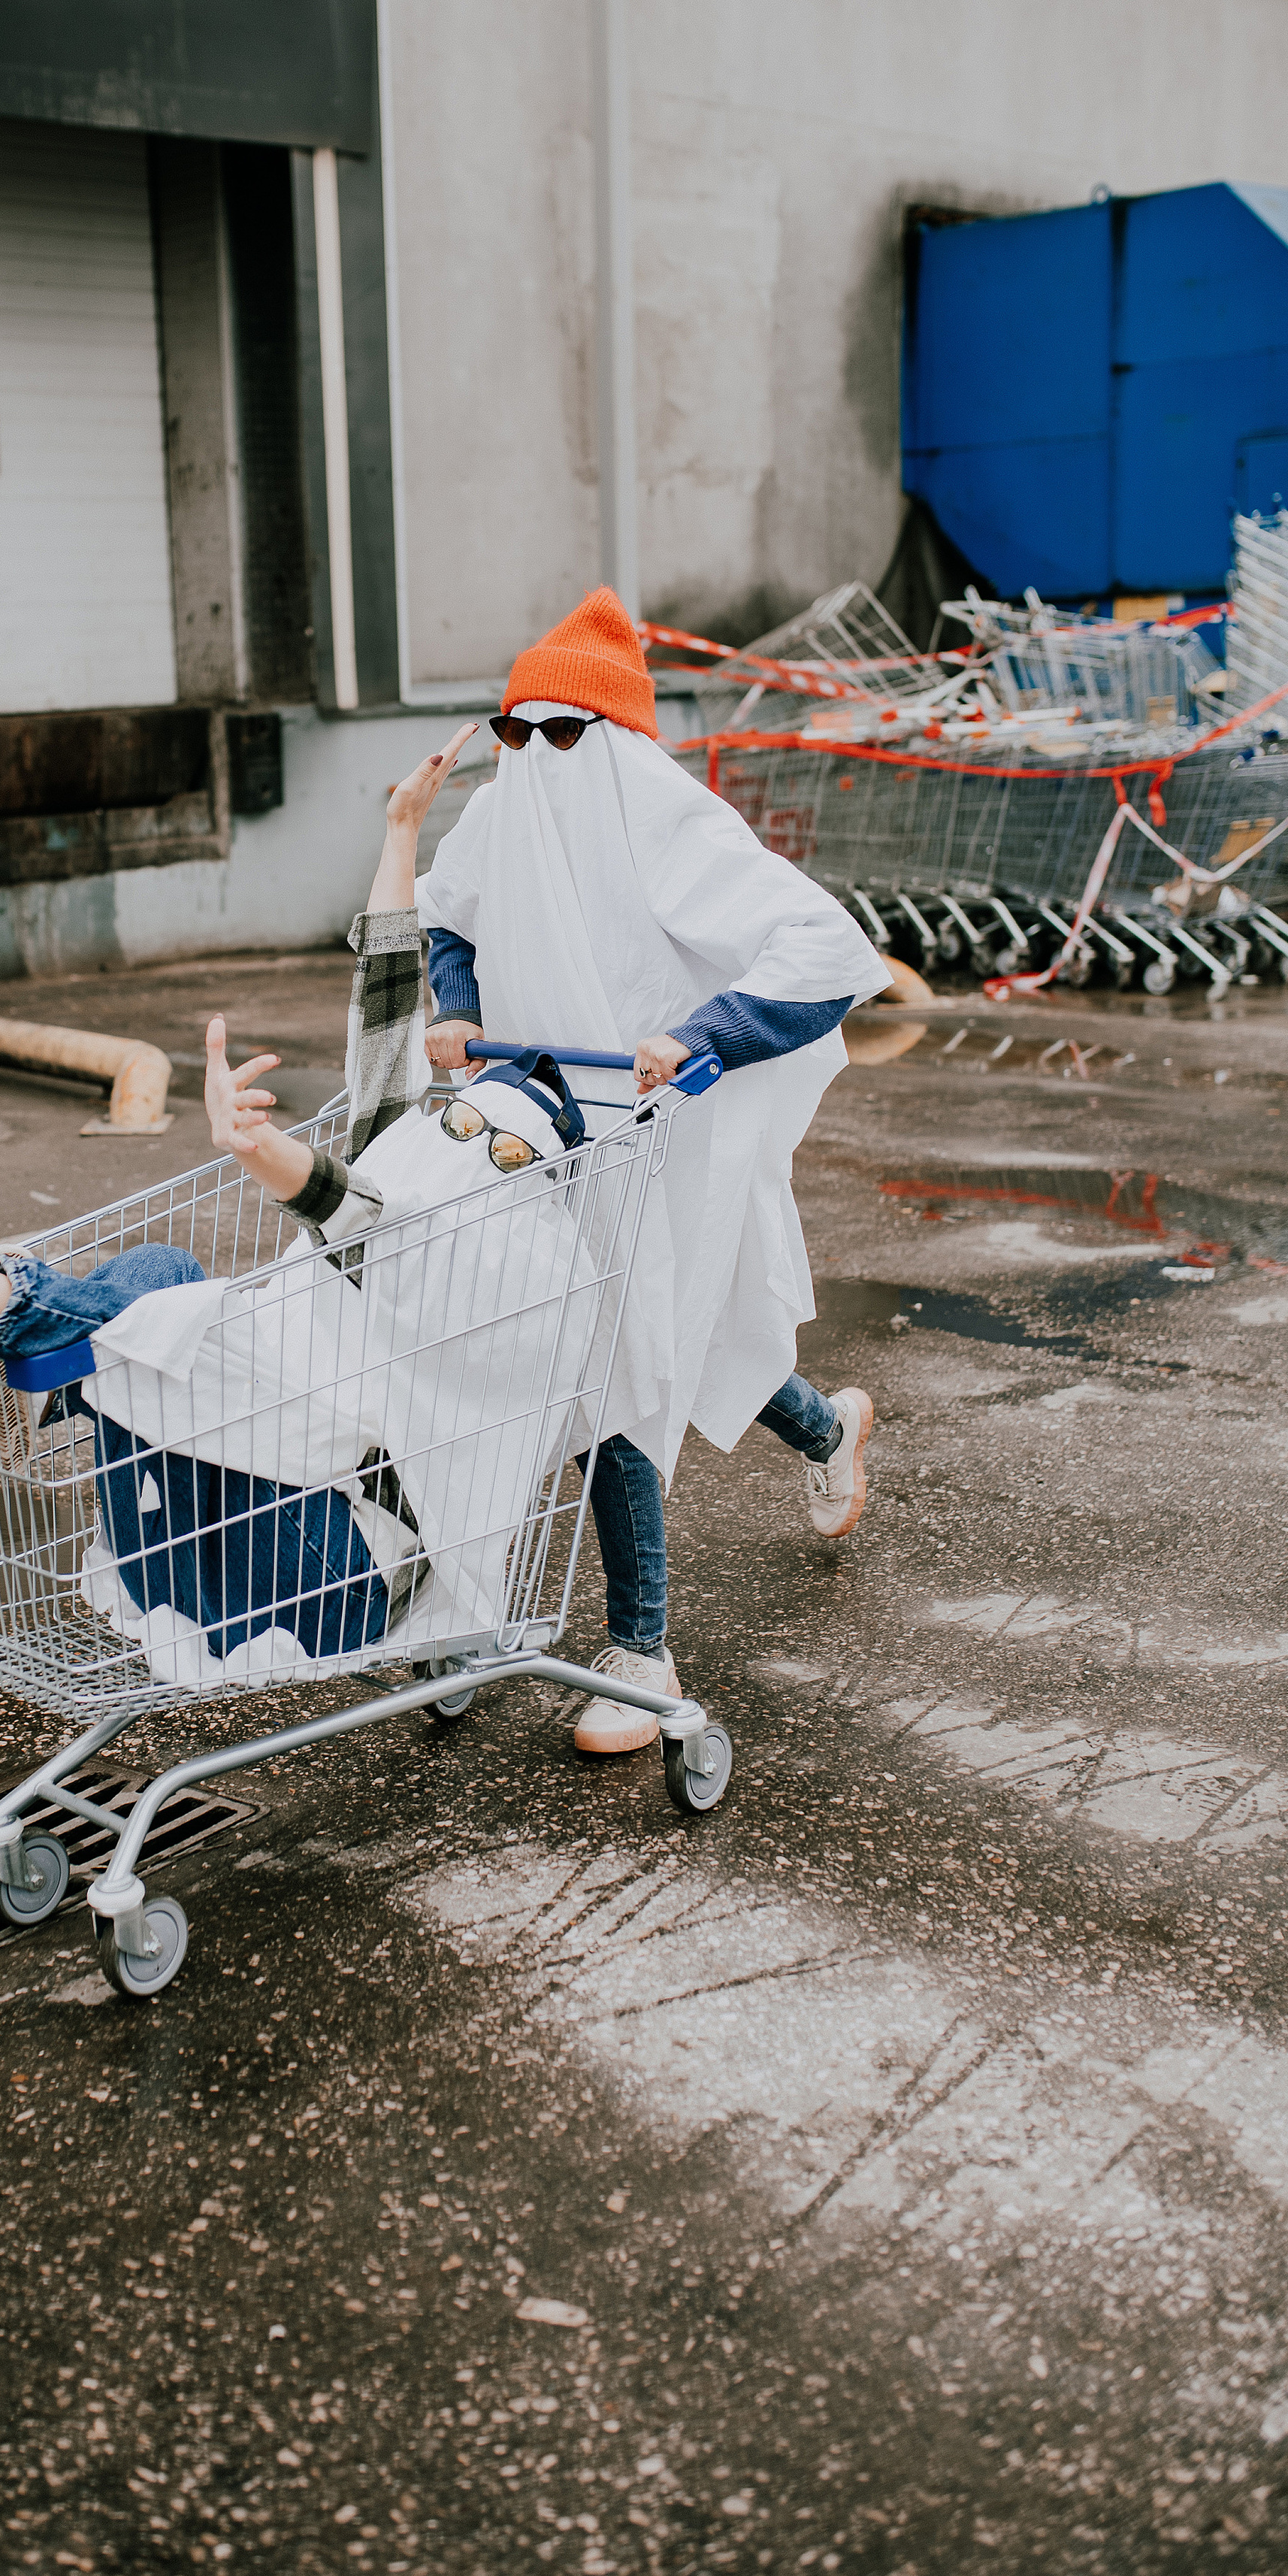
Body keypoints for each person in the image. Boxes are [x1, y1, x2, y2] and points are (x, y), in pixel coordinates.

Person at [0, 722, 672, 1694]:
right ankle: (32, 1370)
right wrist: (402, 831)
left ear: (542, 1176)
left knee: (207, 1334)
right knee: (163, 1279)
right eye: (466, 1126)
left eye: (506, 1149)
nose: (472, 1150)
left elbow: (359, 1220)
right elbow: (388, 1022)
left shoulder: (527, 1272)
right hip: (202, 1537)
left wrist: (264, 1152)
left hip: (324, 1582)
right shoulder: (416, 1175)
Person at [414, 586, 893, 1757]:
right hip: (532, 1119)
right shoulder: (502, 815)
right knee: (632, 1348)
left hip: (663, 1134)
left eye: (563, 731)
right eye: (515, 731)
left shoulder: (673, 821)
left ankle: (641, 1651)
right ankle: (829, 1432)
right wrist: (457, 1010)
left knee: (630, 1368)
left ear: (617, 738)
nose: (535, 755)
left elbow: (824, 949)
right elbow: (449, 915)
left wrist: (704, 1034)